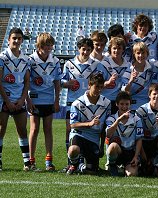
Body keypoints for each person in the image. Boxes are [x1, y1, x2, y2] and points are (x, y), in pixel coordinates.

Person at [61, 38, 99, 171]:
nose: (86, 52)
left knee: (85, 130)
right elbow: (61, 81)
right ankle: (71, 161)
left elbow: (97, 82)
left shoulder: (95, 64)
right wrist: (67, 84)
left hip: (88, 103)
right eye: (83, 49)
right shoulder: (69, 63)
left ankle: (81, 160)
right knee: (69, 130)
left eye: (89, 50)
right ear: (79, 49)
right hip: (72, 102)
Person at [26, 33, 62, 171]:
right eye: (47, 45)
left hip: (48, 99)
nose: (49, 48)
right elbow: (26, 81)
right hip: (34, 98)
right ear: (39, 45)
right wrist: (28, 100)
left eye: (50, 45)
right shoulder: (30, 60)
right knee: (34, 129)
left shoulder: (55, 61)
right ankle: (31, 160)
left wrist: (56, 100)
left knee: (48, 129)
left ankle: (49, 161)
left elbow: (57, 82)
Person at [66, 72, 111, 175]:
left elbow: (104, 126)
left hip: (94, 138)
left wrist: (101, 145)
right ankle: (74, 164)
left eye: (101, 87)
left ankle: (81, 167)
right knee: (73, 149)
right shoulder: (77, 103)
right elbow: (72, 125)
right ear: (89, 85)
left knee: (92, 171)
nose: (99, 90)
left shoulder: (107, 103)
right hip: (79, 134)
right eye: (96, 87)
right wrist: (89, 124)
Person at [0, 27, 31, 171]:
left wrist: (22, 99)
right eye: (14, 38)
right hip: (4, 99)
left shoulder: (26, 59)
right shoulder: (2, 58)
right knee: (1, 130)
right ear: (9, 40)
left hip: (19, 100)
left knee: (22, 131)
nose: (17, 41)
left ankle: (27, 162)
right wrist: (7, 101)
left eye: (19, 38)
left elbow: (26, 82)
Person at [136, 83, 158, 178]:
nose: (157, 96)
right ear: (149, 95)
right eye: (154, 94)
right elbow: (137, 134)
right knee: (140, 171)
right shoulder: (141, 111)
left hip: (157, 143)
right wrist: (143, 156)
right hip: (143, 142)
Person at [106, 91, 143, 177]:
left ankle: (125, 167)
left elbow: (139, 139)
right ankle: (112, 165)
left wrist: (136, 156)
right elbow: (108, 134)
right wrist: (118, 120)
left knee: (131, 174)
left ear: (130, 105)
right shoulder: (111, 118)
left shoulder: (136, 119)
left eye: (127, 104)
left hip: (130, 152)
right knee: (113, 146)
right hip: (118, 151)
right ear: (117, 104)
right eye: (122, 104)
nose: (124, 107)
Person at [97, 37, 130, 114]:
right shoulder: (103, 64)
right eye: (114, 48)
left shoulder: (128, 65)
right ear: (110, 49)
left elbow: (126, 86)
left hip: (120, 103)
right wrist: (107, 83)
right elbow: (97, 85)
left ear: (123, 49)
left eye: (119, 48)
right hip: (104, 101)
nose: (116, 51)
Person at [122, 42, 154, 110]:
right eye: (138, 53)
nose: (141, 55)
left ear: (147, 53)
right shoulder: (128, 68)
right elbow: (124, 92)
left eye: (143, 53)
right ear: (134, 54)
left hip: (147, 106)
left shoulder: (152, 66)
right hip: (132, 106)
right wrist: (131, 81)